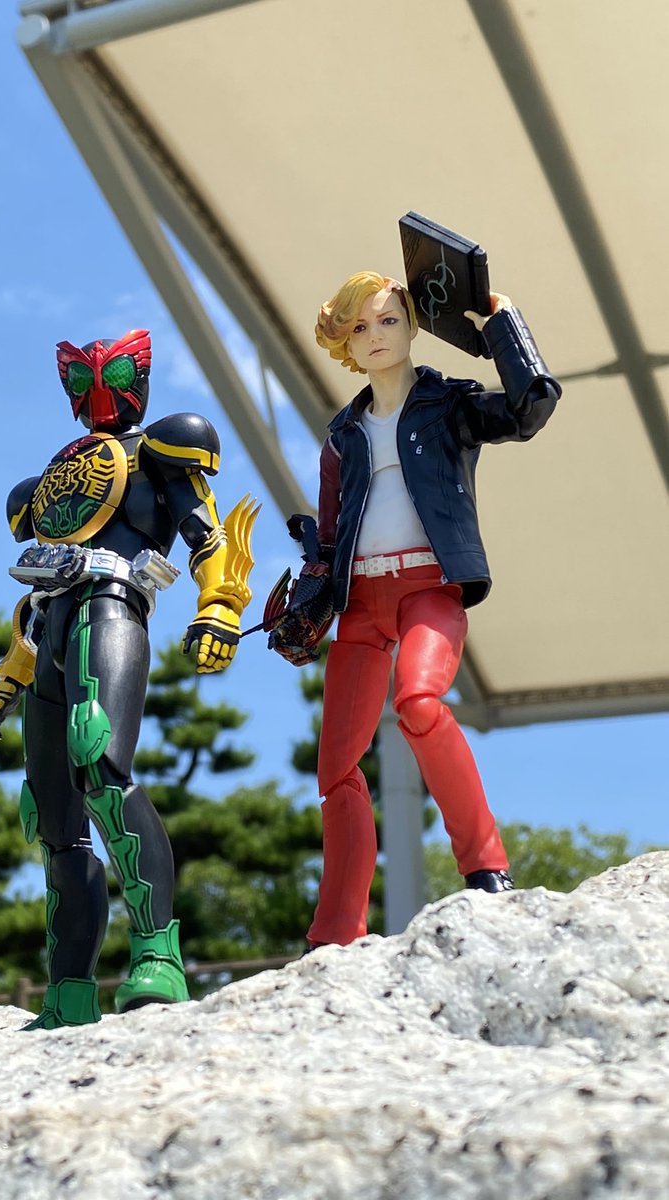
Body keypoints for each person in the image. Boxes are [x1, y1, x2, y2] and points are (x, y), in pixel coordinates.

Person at [0, 329, 258, 1026]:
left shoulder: (162, 450)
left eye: (116, 374)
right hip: (52, 627)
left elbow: (209, 538)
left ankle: (157, 953)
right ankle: (68, 990)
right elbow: (36, 597)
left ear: (140, 377)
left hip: (112, 605)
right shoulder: (45, 487)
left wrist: (219, 606)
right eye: (83, 379)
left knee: (101, 764)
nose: (98, 391)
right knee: (53, 818)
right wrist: (7, 681)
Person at [270, 272, 560, 947]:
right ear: (344, 342)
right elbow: (332, 535)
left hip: (430, 586)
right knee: (335, 769)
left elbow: (530, 409)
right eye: (359, 326)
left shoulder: (449, 404)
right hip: (361, 603)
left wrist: (503, 324)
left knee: (420, 704)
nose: (375, 335)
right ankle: (336, 930)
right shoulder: (342, 436)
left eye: (387, 320)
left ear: (411, 325)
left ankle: (485, 868)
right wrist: (310, 590)